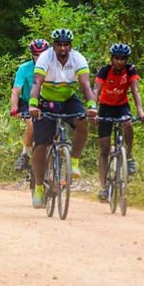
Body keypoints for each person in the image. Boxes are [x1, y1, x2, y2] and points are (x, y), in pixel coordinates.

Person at [28, 28, 98, 208]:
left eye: (66, 44)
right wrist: (33, 104)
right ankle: (38, 187)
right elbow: (37, 82)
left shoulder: (78, 59)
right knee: (41, 143)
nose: (62, 48)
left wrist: (92, 106)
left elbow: (86, 85)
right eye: (59, 44)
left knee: (82, 121)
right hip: (46, 101)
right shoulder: (45, 57)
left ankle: (74, 161)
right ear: (53, 45)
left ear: (71, 46)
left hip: (67, 100)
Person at [93, 43, 144, 201]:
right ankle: (103, 187)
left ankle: (129, 155)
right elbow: (96, 90)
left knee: (127, 123)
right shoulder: (104, 70)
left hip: (121, 106)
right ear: (112, 59)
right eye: (116, 58)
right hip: (105, 108)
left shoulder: (130, 70)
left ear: (126, 60)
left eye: (123, 59)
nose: (119, 61)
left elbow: (135, 90)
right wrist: (93, 110)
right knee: (104, 149)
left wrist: (140, 111)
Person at [10, 38, 50, 171]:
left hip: (47, 101)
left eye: (42, 54)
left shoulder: (53, 68)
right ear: (32, 54)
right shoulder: (24, 69)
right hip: (27, 102)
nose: (39, 58)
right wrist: (14, 108)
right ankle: (24, 154)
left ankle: (56, 157)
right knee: (32, 126)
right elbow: (16, 90)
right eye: (36, 54)